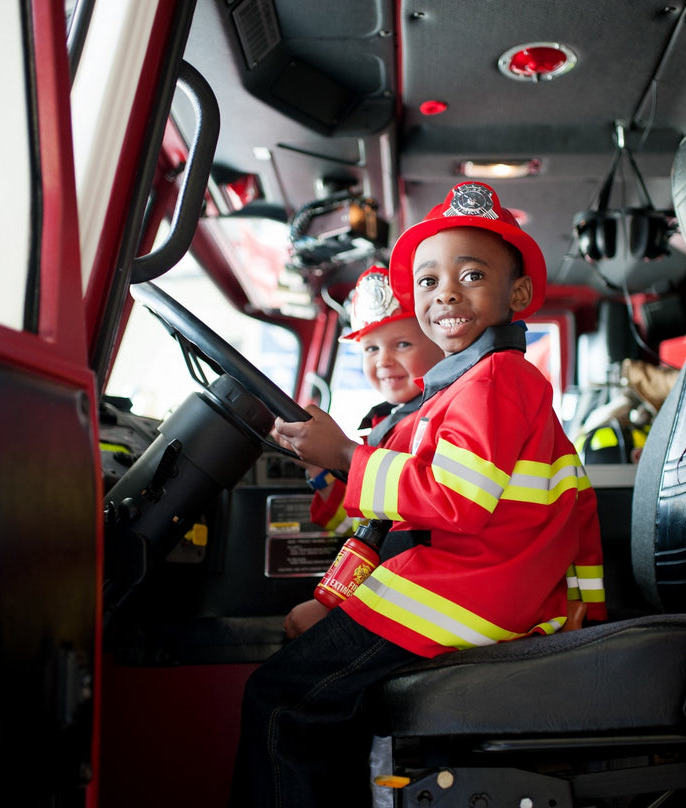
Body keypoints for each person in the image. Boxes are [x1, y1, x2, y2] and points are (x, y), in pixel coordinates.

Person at [230, 181, 606, 808]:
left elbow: (453, 501)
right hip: (470, 582)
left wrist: (348, 457)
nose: (447, 294)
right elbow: (394, 525)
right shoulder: (463, 389)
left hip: (468, 591)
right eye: (429, 282)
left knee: (282, 699)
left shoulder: (495, 382)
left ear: (515, 295)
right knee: (326, 702)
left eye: (471, 274)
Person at [284, 266, 444, 639]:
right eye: (371, 348)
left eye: (402, 344)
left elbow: (387, 534)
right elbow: (354, 523)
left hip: (414, 588)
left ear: (441, 342)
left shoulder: (434, 423)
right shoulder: (385, 424)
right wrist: (317, 470)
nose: (383, 360)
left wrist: (332, 603)